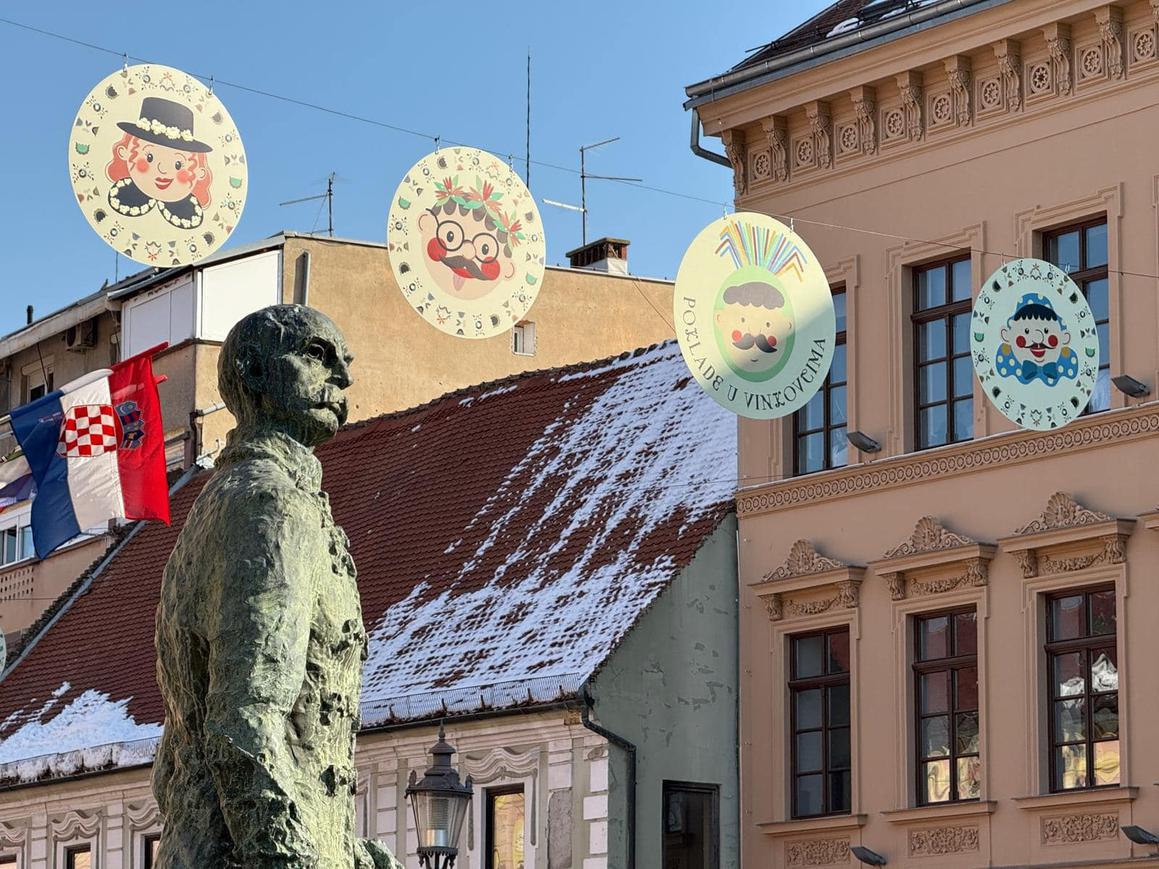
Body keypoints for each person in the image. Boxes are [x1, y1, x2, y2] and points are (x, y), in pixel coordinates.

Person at [153, 305, 400, 869]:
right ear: (253, 371)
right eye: (316, 355)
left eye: (345, 361)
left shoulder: (230, 499)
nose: (343, 377)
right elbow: (244, 723)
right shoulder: (268, 503)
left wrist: (346, 850)